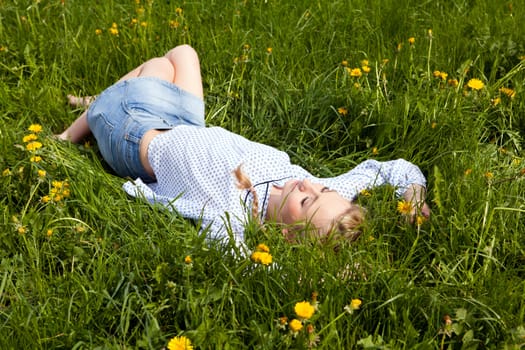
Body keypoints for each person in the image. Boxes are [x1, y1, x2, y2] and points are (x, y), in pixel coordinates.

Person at [59, 45, 430, 245]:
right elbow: (392, 169)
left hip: (133, 134)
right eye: (322, 188)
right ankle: (107, 99)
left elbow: (239, 258)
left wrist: (311, 279)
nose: (308, 184)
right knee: (183, 54)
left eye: (305, 201)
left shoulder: (233, 217)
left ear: (285, 235)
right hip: (188, 125)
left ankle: (73, 129)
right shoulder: (323, 192)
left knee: (151, 72)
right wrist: (413, 197)